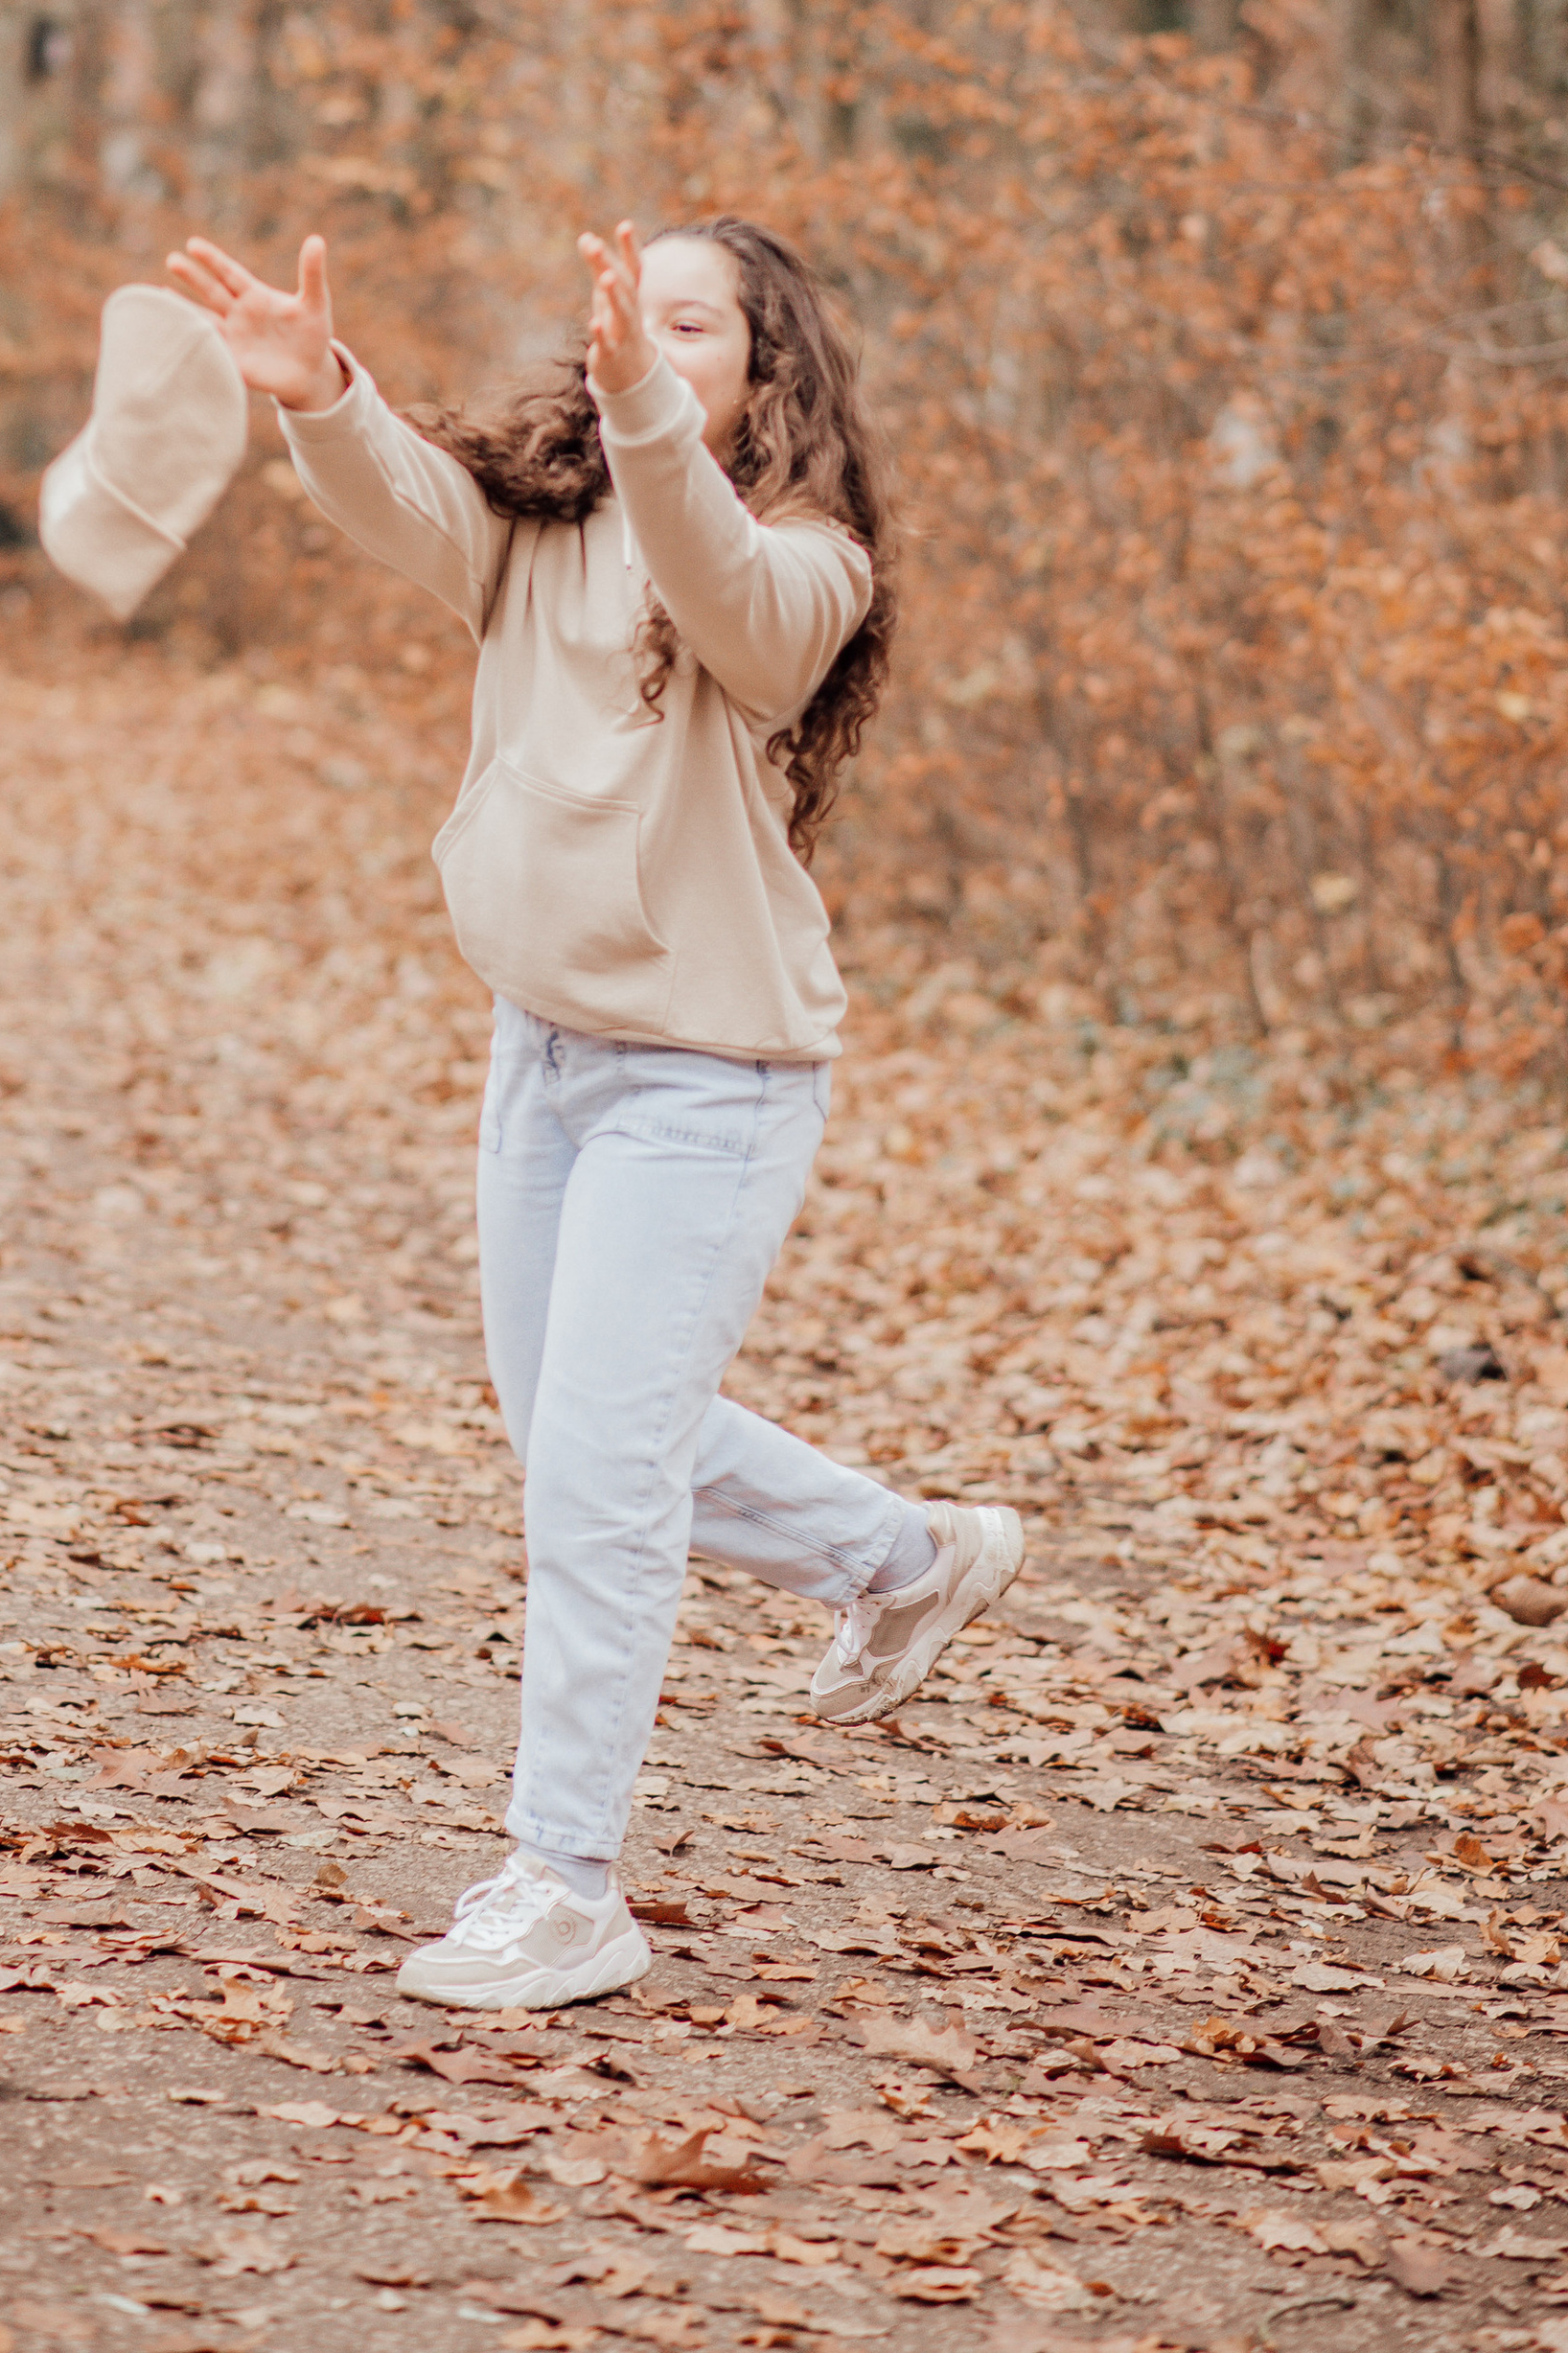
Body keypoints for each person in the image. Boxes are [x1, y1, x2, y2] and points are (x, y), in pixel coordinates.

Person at [164, 214, 1024, 2011]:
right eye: (633, 322)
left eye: (694, 327)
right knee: (580, 1439)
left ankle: (566, 1883)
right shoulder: (542, 525)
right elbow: (410, 500)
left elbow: (735, 605)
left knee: (597, 1482)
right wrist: (319, 388)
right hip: (542, 1048)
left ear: (763, 371)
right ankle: (908, 1554)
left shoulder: (809, 563)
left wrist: (648, 413)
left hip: (708, 1078)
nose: (646, 340)